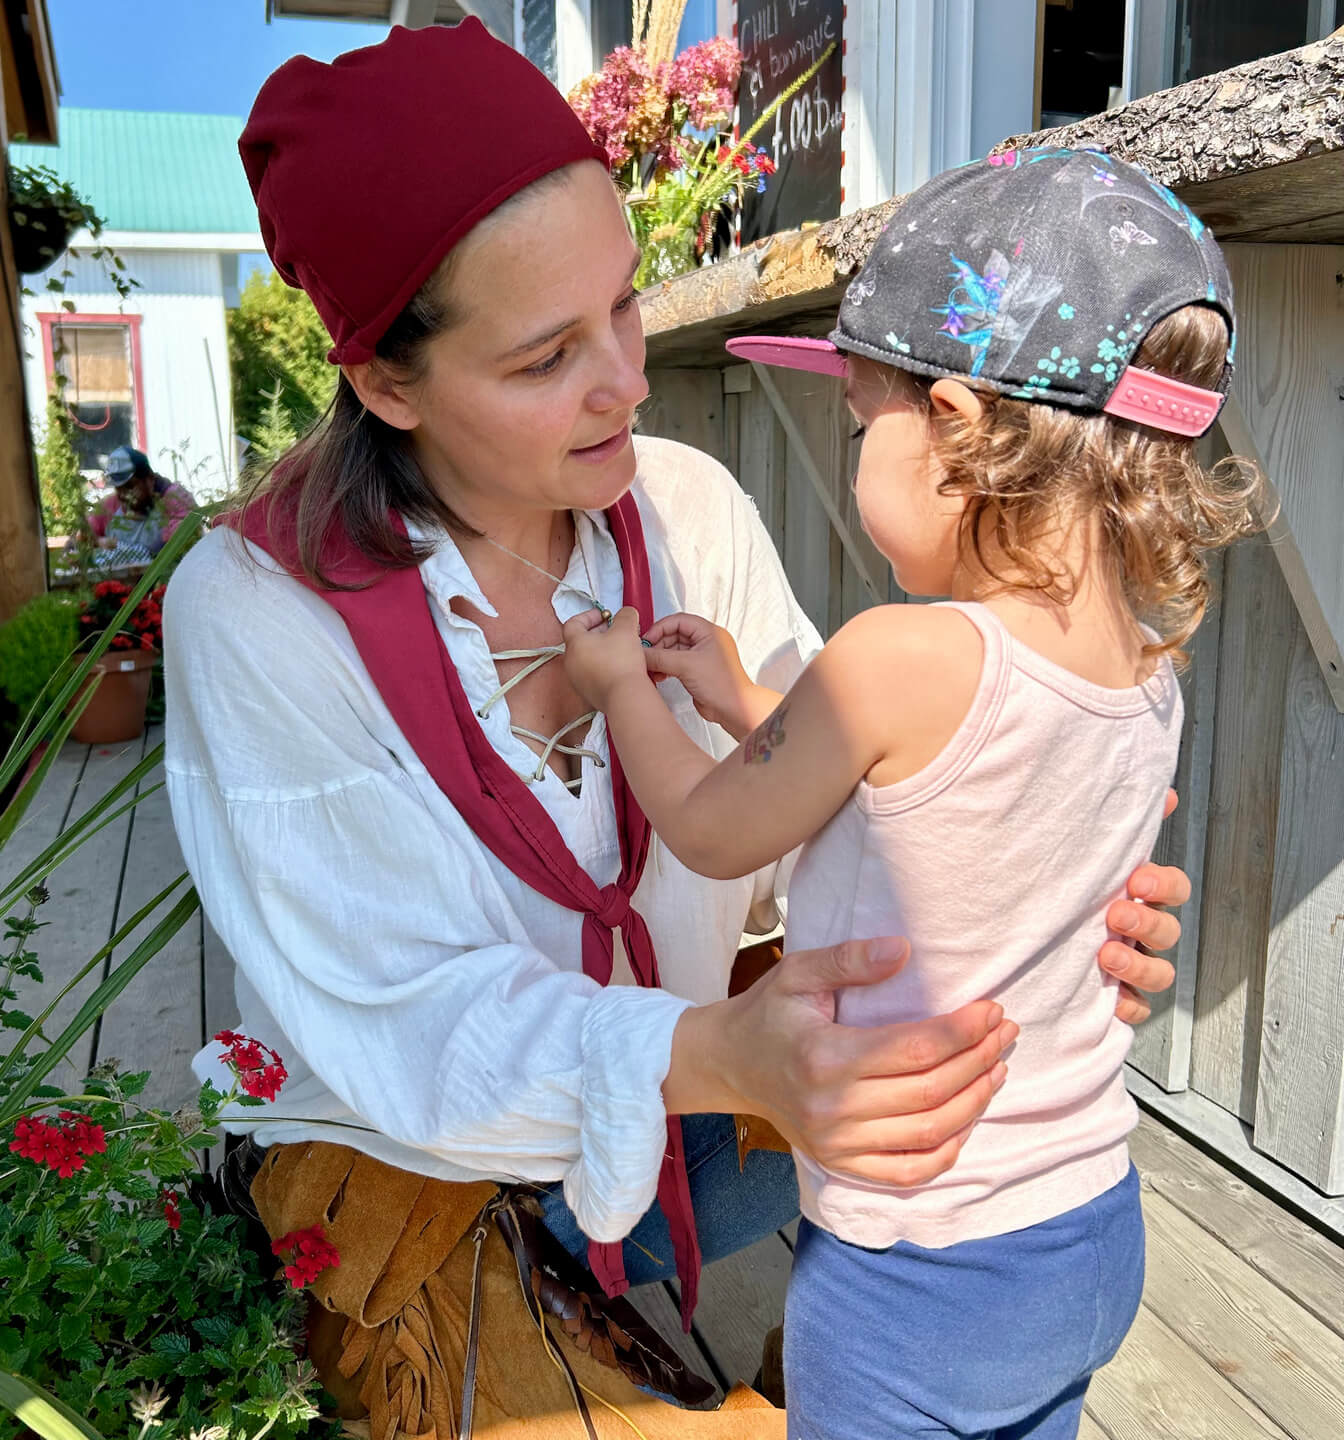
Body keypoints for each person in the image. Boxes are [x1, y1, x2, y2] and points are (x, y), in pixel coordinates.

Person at [162, 24, 1191, 1437]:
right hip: (429, 1166)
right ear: (389, 384)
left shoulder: (687, 506)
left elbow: (842, 802)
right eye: (544, 360)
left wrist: (1052, 883)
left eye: (627, 309)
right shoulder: (258, 608)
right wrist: (715, 1056)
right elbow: (399, 1016)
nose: (629, 385)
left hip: (705, 1123)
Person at [562, 148, 1265, 1439]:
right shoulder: (1147, 671)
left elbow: (717, 832)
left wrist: (625, 693)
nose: (855, 454)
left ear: (954, 425)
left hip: (915, 1266)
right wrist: (745, 704)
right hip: (1086, 1228)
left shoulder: (896, 655)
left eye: (859, 422)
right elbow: (937, 796)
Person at [86, 445, 197, 561]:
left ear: (149, 479)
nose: (123, 494)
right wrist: (98, 542)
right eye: (119, 488)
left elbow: (187, 545)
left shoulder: (175, 499)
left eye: (130, 486)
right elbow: (82, 538)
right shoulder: (110, 505)